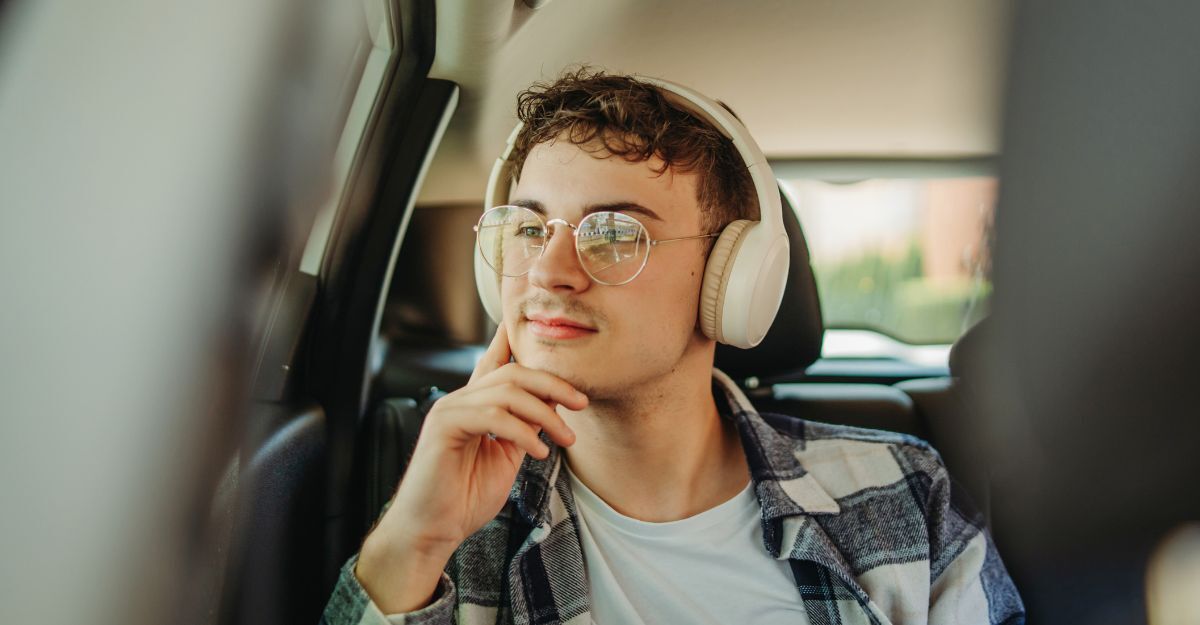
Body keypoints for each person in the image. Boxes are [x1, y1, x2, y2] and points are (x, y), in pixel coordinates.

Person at [321, 69, 1024, 625]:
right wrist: (413, 541)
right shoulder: (447, 523)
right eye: (530, 229)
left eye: (615, 234)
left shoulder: (903, 492)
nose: (548, 271)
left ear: (732, 280)